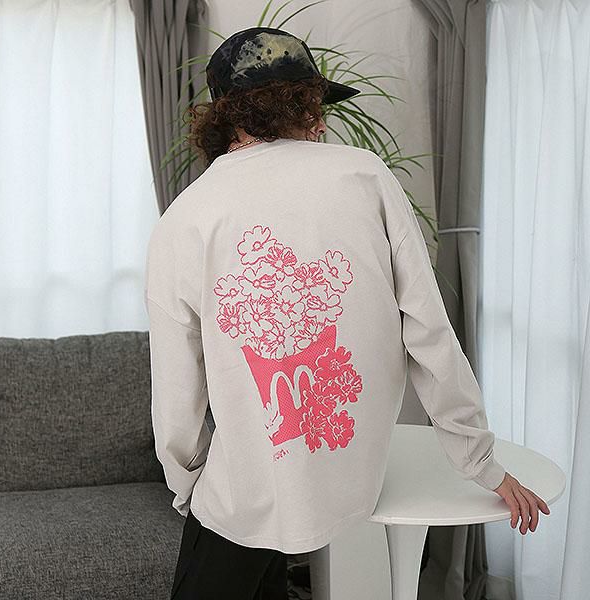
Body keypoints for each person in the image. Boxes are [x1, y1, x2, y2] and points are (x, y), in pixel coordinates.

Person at [143, 26, 550, 600]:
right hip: (354, 481)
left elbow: (177, 388)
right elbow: (429, 333)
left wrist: (187, 483)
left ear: (223, 116)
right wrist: (481, 463)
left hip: (244, 490)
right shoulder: (365, 176)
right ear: (306, 104)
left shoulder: (185, 217)